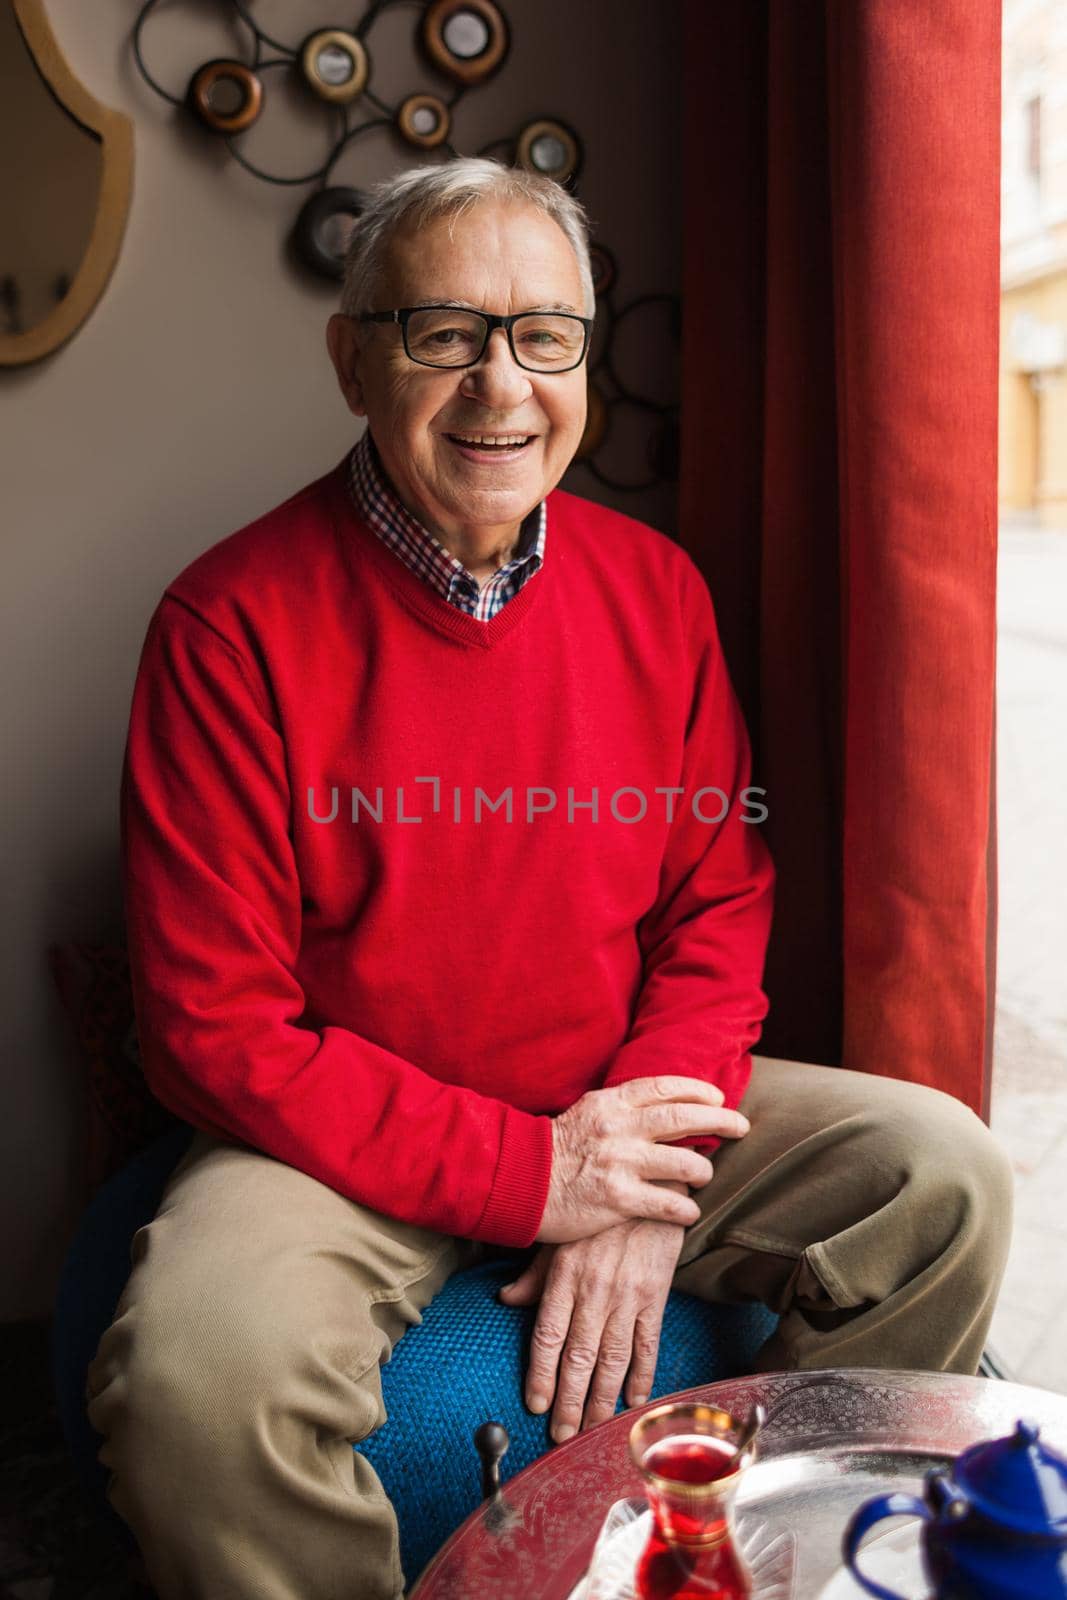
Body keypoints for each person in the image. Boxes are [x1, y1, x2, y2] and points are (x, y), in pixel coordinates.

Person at [87, 158, 1013, 1600]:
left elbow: (717, 901)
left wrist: (644, 1180)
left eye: (544, 336)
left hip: (620, 1100)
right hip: (338, 1142)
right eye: (444, 333)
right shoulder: (227, 625)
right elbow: (216, 1028)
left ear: (586, 356)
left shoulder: (659, 589)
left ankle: (745, 1563)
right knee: (198, 1387)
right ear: (353, 360)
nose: (501, 387)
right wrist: (538, 1177)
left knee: (942, 1181)